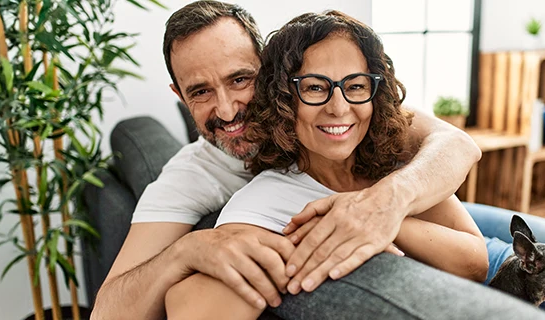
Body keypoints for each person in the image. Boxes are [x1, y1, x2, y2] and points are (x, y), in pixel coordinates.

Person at [90, 1, 545, 319]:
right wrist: (189, 248)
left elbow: (457, 146)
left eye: (240, 79)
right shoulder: (195, 180)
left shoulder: (348, 114)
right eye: (200, 92)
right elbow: (120, 309)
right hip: (366, 219)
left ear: (275, 69)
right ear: (178, 96)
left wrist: (386, 204)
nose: (230, 108)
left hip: (399, 206)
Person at [164, 10, 492, 318]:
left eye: (355, 86)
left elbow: (477, 261)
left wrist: (375, 215)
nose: (339, 108)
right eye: (315, 88)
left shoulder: (391, 154)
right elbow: (189, 306)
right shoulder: (266, 200)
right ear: (283, 99)